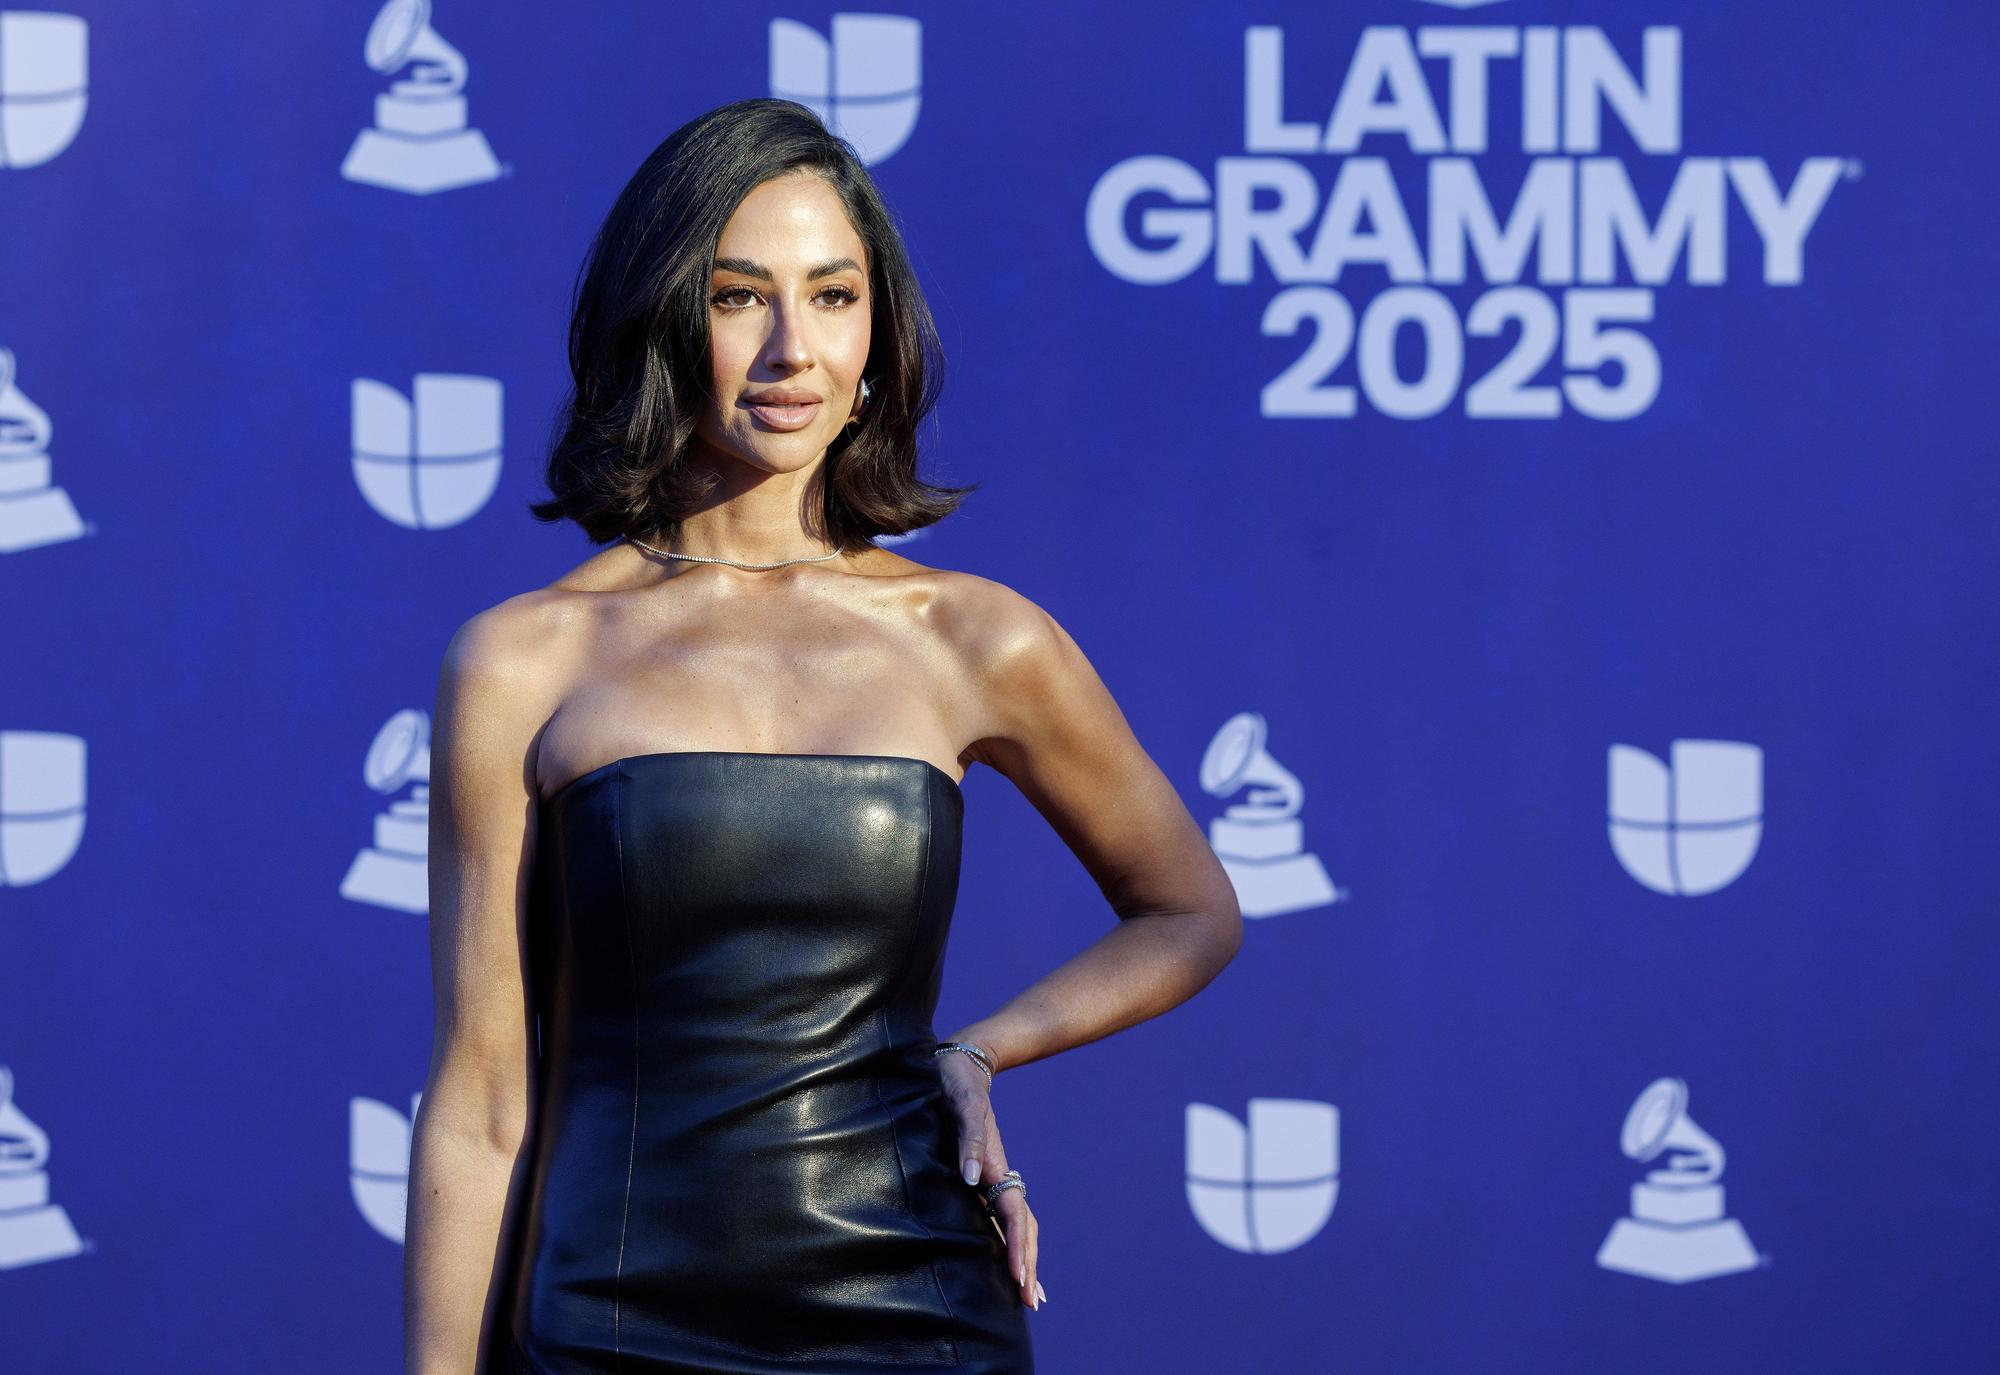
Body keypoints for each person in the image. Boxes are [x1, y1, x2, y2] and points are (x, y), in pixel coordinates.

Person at [402, 98, 1244, 1375]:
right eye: (737, 296)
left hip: (915, 1312)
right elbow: (479, 1102)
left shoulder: (973, 637)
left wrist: (975, 1049)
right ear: (658, 319)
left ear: (877, 333)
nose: (792, 347)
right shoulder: (524, 657)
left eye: (833, 295)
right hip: (607, 1323)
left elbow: (1188, 910)